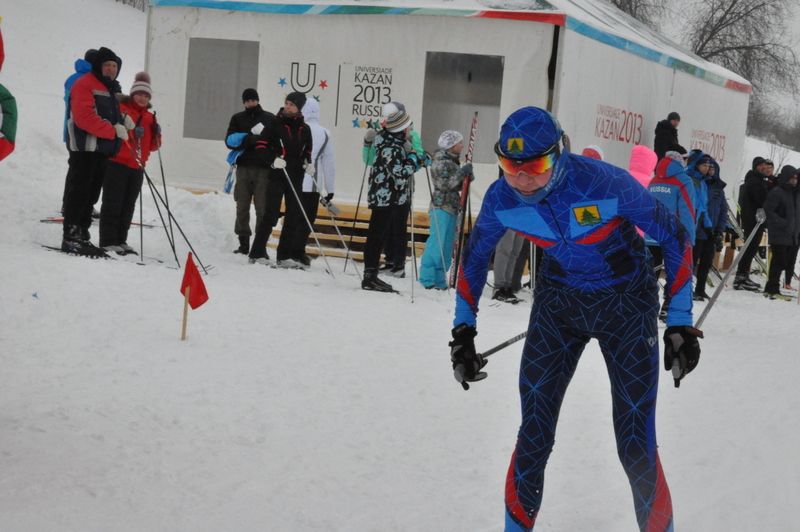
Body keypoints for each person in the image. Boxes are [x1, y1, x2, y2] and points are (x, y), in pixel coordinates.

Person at [448, 107, 700, 532]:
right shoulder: (500, 199)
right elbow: (474, 261)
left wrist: (679, 321)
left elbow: (675, 236)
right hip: (559, 308)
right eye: (511, 165)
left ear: (559, 154)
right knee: (534, 434)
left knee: (634, 442)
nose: (522, 178)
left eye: (536, 165)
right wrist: (462, 331)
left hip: (626, 306)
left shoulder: (604, 182)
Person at [62, 46, 130, 257]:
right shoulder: (85, 84)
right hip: (85, 149)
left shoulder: (108, 88)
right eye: (107, 65)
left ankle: (82, 234)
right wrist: (113, 130)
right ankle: (71, 236)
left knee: (91, 195)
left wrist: (122, 120)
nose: (111, 69)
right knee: (79, 192)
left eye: (114, 66)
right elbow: (85, 118)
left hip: (101, 150)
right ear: (99, 67)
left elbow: (108, 113)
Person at [99, 72, 161, 254]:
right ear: (133, 94)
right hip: (117, 162)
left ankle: (121, 239)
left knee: (128, 204)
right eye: (139, 94)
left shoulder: (151, 117)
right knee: (113, 202)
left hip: (137, 166)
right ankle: (108, 240)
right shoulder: (121, 109)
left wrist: (157, 133)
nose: (142, 98)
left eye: (146, 95)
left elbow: (154, 146)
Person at [249, 91, 312, 269]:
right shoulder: (275, 124)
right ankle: (257, 252)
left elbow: (307, 152)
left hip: (296, 176)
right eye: (286, 103)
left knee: (293, 214)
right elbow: (261, 146)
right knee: (271, 214)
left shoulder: (304, 129)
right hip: (277, 174)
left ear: (299, 107)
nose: (287, 106)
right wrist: (272, 160)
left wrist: (308, 164)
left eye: (292, 104)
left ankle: (284, 255)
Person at [361, 107, 422, 292]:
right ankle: (369, 276)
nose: (409, 131)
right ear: (401, 128)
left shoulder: (393, 142)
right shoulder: (390, 147)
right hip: (385, 197)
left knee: (378, 235)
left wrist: (416, 159)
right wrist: (414, 158)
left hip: (391, 197)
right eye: (407, 127)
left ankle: (372, 275)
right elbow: (400, 173)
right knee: (376, 235)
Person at [645, 151, 697, 321]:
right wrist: (689, 237)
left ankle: (647, 306)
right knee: (675, 273)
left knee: (650, 272)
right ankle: (669, 306)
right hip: (673, 235)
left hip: (651, 234)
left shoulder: (654, 180)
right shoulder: (683, 181)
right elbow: (687, 210)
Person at [225, 88, 276, 256]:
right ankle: (243, 243)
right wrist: (247, 139)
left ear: (258, 100)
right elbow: (229, 141)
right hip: (243, 168)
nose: (250, 103)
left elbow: (275, 140)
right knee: (242, 206)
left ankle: (259, 245)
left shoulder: (269, 118)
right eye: (247, 101)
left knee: (262, 208)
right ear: (243, 102)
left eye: (253, 100)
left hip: (264, 170)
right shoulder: (237, 118)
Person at [418, 129, 471, 290]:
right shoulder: (440, 161)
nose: (462, 146)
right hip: (441, 207)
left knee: (447, 244)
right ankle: (427, 278)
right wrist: (462, 173)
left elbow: (459, 185)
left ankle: (440, 278)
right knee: (437, 242)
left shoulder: (453, 161)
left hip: (452, 207)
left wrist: (467, 176)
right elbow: (444, 185)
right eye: (459, 143)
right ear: (451, 145)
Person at [297, 97, 335, 264]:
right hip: (314, 183)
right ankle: (299, 250)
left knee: (294, 217)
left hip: (296, 180)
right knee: (307, 219)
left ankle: (291, 249)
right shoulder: (324, 132)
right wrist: (330, 188)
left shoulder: (297, 128)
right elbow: (329, 162)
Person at [692, 158, 728, 300]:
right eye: (707, 167)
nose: (710, 170)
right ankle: (688, 290)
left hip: (711, 232)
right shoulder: (701, 184)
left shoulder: (718, 188)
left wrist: (719, 231)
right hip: (699, 230)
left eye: (713, 168)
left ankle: (700, 289)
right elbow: (699, 208)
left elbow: (723, 210)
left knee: (706, 262)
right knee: (693, 261)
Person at [762, 165, 800, 300]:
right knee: (779, 261)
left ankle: (770, 287)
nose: (794, 181)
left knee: (781, 262)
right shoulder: (777, 192)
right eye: (792, 178)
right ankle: (773, 288)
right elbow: (768, 210)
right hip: (778, 232)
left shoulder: (793, 193)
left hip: (789, 234)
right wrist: (783, 223)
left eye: (796, 179)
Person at [734, 157, 770, 290]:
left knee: (752, 248)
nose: (763, 167)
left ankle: (744, 275)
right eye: (760, 165)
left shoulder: (760, 180)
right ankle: (741, 276)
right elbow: (760, 200)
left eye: (764, 165)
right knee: (749, 248)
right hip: (752, 220)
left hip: (757, 220)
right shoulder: (754, 181)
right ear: (756, 167)